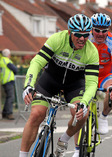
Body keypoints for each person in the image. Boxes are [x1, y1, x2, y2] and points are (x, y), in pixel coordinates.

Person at [19, 14, 99, 157]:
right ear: (69, 32)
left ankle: (64, 139)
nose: (82, 39)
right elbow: (37, 62)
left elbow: (92, 83)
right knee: (37, 114)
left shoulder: (92, 51)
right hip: (49, 81)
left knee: (81, 115)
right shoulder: (57, 39)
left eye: (86, 35)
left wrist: (84, 103)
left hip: (74, 85)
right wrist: (28, 85)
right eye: (78, 35)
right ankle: (23, 155)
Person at [72, 13, 112, 157]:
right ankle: (76, 149)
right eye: (97, 30)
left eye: (104, 30)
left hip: (106, 76)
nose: (100, 33)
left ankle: (104, 116)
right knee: (80, 110)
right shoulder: (86, 39)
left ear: (108, 30)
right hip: (87, 75)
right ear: (92, 29)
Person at [0, 49, 18, 120]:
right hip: (8, 81)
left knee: (8, 97)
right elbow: (15, 69)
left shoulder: (1, 60)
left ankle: (4, 113)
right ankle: (9, 113)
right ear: (8, 55)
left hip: (4, 81)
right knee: (11, 97)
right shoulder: (6, 61)